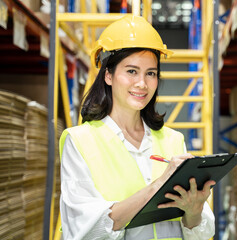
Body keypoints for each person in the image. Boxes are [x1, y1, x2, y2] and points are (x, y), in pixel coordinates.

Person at [59, 15, 215, 240]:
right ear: (109, 76)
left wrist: (194, 211)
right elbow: (84, 231)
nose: (142, 83)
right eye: (131, 71)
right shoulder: (80, 141)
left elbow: (200, 232)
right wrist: (158, 186)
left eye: (150, 73)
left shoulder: (173, 140)